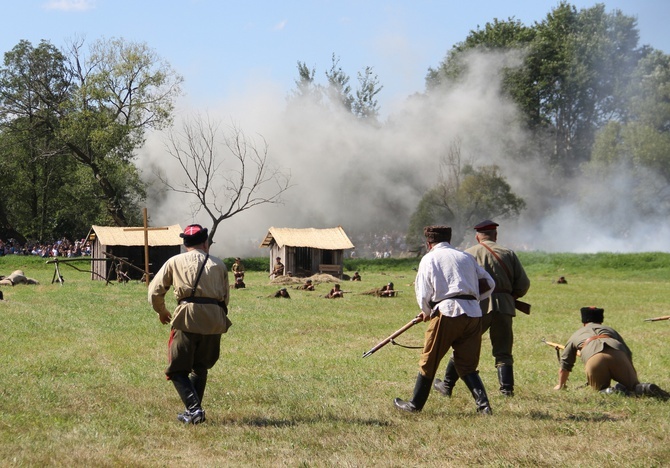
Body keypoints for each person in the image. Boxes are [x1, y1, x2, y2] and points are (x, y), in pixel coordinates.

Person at [394, 225, 495, 415]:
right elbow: (490, 283)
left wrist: (427, 311)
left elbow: (423, 292)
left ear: (428, 243)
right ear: (448, 240)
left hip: (447, 313)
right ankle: (484, 407)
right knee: (467, 365)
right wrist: (472, 300)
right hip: (473, 315)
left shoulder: (429, 258)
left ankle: (415, 405)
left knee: (429, 360)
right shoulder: (465, 257)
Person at [434, 220, 530, 398]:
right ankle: (506, 390)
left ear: (477, 237)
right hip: (505, 307)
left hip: (477, 307)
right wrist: (509, 297)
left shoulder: (467, 254)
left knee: (463, 346)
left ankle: (447, 385)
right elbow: (523, 284)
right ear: (495, 235)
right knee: (503, 351)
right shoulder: (508, 253)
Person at [148, 224, 231, 425]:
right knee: (200, 368)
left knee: (177, 370)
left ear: (185, 243)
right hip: (214, 319)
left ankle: (194, 409)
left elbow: (154, 291)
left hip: (187, 317)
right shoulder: (219, 264)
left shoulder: (174, 261)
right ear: (205, 243)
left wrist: (162, 311)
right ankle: (193, 412)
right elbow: (225, 298)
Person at [554, 307, 669, 399]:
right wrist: (630, 373)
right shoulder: (610, 330)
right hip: (618, 355)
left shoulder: (576, 334)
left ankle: (612, 391)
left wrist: (561, 385)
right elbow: (628, 353)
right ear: (601, 320)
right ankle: (644, 388)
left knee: (600, 390)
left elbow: (565, 365)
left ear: (584, 322)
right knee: (633, 387)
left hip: (594, 360)